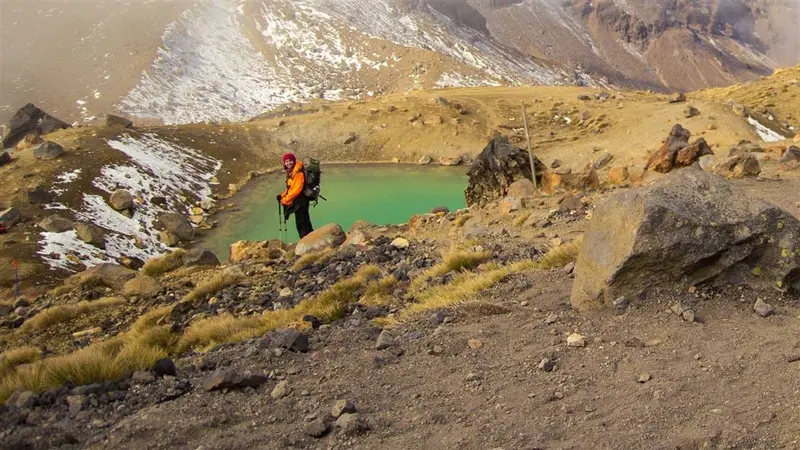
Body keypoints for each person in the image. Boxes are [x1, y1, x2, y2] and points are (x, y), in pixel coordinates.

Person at [277, 152, 314, 238]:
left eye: (290, 161)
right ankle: (310, 237)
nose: (288, 163)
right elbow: (290, 187)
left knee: (301, 221)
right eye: (286, 161)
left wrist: (284, 200)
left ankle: (304, 240)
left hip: (300, 200)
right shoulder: (293, 171)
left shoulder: (298, 172)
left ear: (293, 161)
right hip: (301, 199)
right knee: (305, 219)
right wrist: (282, 195)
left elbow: (296, 190)